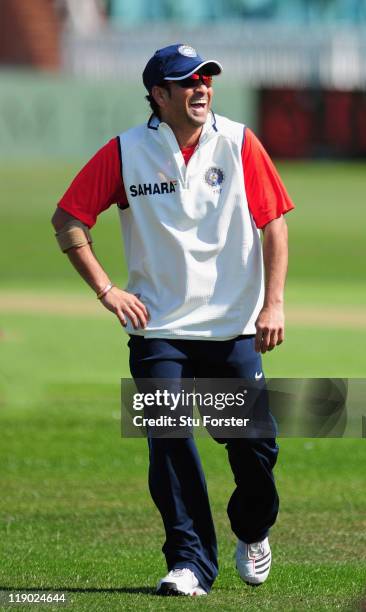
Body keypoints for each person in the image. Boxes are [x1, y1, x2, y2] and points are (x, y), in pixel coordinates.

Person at [51, 43, 294, 597]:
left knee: (255, 452)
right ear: (159, 96)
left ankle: (253, 528)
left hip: (232, 330)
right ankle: (189, 563)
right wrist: (107, 290)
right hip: (158, 332)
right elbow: (68, 220)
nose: (202, 87)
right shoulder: (125, 151)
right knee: (169, 441)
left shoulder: (238, 142)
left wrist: (273, 303)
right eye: (188, 82)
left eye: (206, 78)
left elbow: (273, 222)